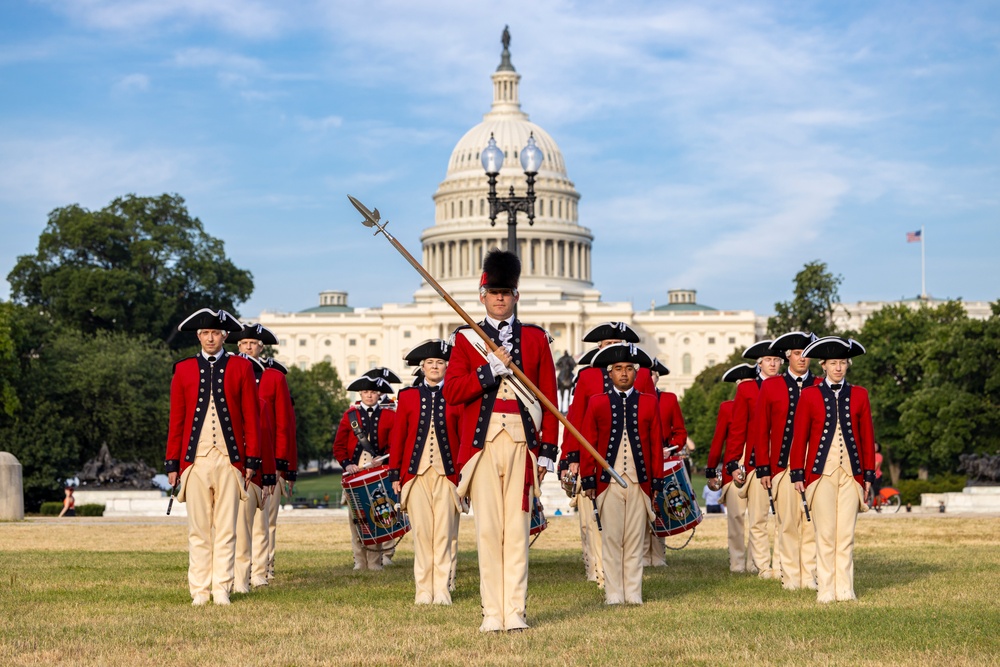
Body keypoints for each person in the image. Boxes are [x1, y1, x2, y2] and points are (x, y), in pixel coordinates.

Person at [443, 249, 558, 633]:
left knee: (518, 528)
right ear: (482, 295)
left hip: (523, 444)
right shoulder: (464, 340)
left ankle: (516, 610)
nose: (499, 298)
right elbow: (454, 393)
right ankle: (492, 612)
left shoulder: (537, 339)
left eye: (506, 291)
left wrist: (548, 452)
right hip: (484, 444)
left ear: (516, 295)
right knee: (489, 529)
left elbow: (549, 399)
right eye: (493, 291)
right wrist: (489, 371)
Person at [164, 308, 260, 606]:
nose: (210, 338)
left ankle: (222, 589)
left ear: (225, 336)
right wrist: (172, 463)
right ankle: (199, 591)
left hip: (230, 461)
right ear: (198, 335)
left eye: (215, 333)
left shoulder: (242, 369)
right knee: (198, 529)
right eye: (205, 333)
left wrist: (252, 461)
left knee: (227, 528)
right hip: (194, 461)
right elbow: (176, 420)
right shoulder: (183, 369)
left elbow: (250, 418)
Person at [790, 336, 875, 603]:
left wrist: (869, 474)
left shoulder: (860, 394)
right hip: (819, 474)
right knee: (825, 533)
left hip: (852, 474)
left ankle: (845, 588)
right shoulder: (810, 395)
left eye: (843, 363)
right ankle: (825, 589)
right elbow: (799, 436)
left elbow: (867, 437)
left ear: (847, 365)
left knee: (846, 534)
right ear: (823, 366)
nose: (838, 368)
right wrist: (797, 473)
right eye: (833, 363)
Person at [581, 343, 664, 605]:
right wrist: (588, 479)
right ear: (610, 373)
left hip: (640, 482)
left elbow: (655, 446)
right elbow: (588, 443)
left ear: (637, 373)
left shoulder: (650, 403)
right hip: (608, 483)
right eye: (618, 369)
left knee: (635, 539)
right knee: (612, 539)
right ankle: (614, 594)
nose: (624, 373)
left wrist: (657, 482)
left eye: (629, 368)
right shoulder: (597, 402)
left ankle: (634, 592)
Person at [561, 321, 642, 587]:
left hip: (630, 459)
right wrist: (571, 457)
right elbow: (574, 419)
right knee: (592, 521)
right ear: (600, 349)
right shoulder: (587, 377)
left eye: (618, 347)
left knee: (628, 523)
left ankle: (625, 574)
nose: (614, 353)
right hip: (593, 458)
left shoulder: (638, 377)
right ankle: (600, 572)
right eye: (608, 347)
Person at [389, 339, 461, 604]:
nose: (434, 367)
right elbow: (399, 437)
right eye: (430, 363)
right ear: (422, 366)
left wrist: (464, 474)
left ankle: (441, 588)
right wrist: (394, 474)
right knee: (421, 533)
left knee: (443, 533)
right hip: (415, 474)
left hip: (447, 474)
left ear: (446, 367)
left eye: (440, 363)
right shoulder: (408, 396)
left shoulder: (457, 395)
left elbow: (463, 436)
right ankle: (423, 589)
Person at [752, 331, 820, 591]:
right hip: (782, 465)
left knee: (812, 523)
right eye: (796, 354)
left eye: (806, 354)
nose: (802, 358)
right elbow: (761, 428)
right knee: (787, 523)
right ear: (787, 357)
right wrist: (763, 468)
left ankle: (809, 575)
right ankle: (790, 578)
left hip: (814, 465)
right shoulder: (771, 386)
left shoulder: (820, 384)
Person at [229, 323, 290, 587]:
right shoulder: (229, 375)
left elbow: (282, 424)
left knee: (265, 520)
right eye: (243, 344)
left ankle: (262, 569)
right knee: (235, 520)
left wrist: (280, 463)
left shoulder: (274, 377)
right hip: (237, 459)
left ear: (260, 346)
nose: (247, 347)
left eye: (252, 343)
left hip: (266, 458)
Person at [723, 341, 784, 577]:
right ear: (759, 363)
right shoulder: (747, 390)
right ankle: (763, 566)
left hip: (782, 460)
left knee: (783, 517)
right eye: (768, 360)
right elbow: (737, 429)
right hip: (755, 461)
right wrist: (732, 462)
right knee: (758, 518)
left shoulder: (787, 387)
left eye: (776, 359)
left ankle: (780, 564)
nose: (772, 363)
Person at [333, 373, 397, 571]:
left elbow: (395, 445)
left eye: (373, 392)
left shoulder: (390, 416)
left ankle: (375, 562)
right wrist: (347, 464)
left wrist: (385, 459)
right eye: (366, 392)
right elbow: (339, 446)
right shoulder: (350, 416)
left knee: (378, 516)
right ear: (360, 394)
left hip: (380, 474)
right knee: (356, 519)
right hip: (355, 474)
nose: (369, 395)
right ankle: (359, 561)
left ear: (379, 394)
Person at [231, 353, 277, 594]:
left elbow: (266, 442)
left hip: (251, 477)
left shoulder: (261, 405)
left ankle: (241, 580)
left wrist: (268, 475)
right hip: (223, 472)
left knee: (244, 529)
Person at [706, 362, 757, 571]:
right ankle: (737, 562)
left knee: (757, 518)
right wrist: (711, 469)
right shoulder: (727, 407)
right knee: (735, 517)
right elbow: (718, 440)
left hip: (755, 466)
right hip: (733, 470)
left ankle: (755, 562)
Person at [643, 357, 687, 567]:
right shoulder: (636, 401)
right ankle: (642, 556)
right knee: (641, 510)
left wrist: (669, 450)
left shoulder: (668, 399)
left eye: (651, 375)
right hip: (641, 462)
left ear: (657, 377)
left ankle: (658, 556)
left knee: (660, 507)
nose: (648, 378)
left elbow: (680, 432)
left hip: (663, 460)